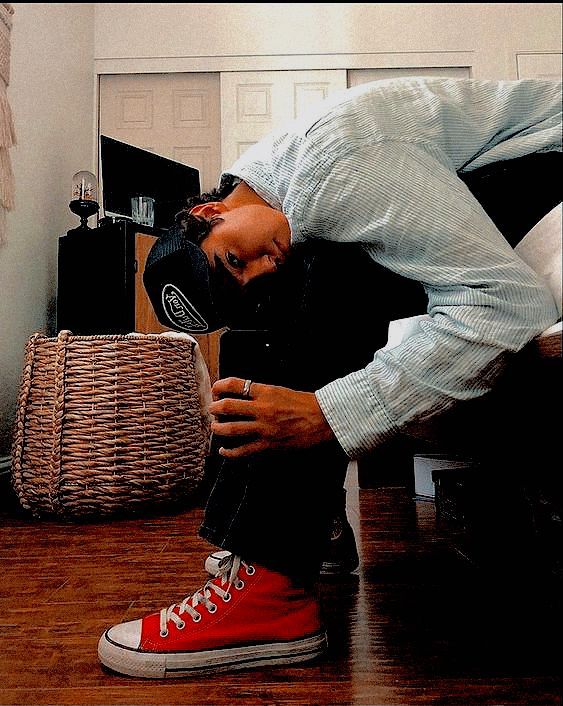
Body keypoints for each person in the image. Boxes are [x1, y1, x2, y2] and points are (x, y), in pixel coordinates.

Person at [98, 77, 561, 679]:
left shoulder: (335, 166)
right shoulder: (270, 183)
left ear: (207, 212)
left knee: (322, 284)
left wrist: (328, 414)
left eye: (233, 259)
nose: (263, 263)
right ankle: (303, 538)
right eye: (245, 279)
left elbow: (506, 301)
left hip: (548, 156)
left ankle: (273, 592)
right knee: (294, 289)